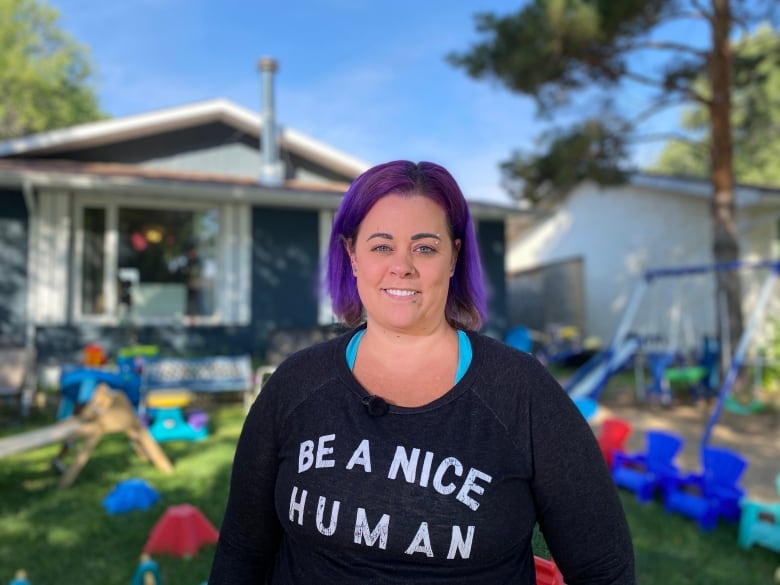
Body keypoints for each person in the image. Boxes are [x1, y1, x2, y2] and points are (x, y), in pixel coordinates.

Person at [209, 160, 635, 584]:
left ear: (453, 258)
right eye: (381, 246)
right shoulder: (296, 384)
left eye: (425, 247)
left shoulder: (521, 392)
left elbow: (604, 570)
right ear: (352, 256)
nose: (403, 266)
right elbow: (241, 551)